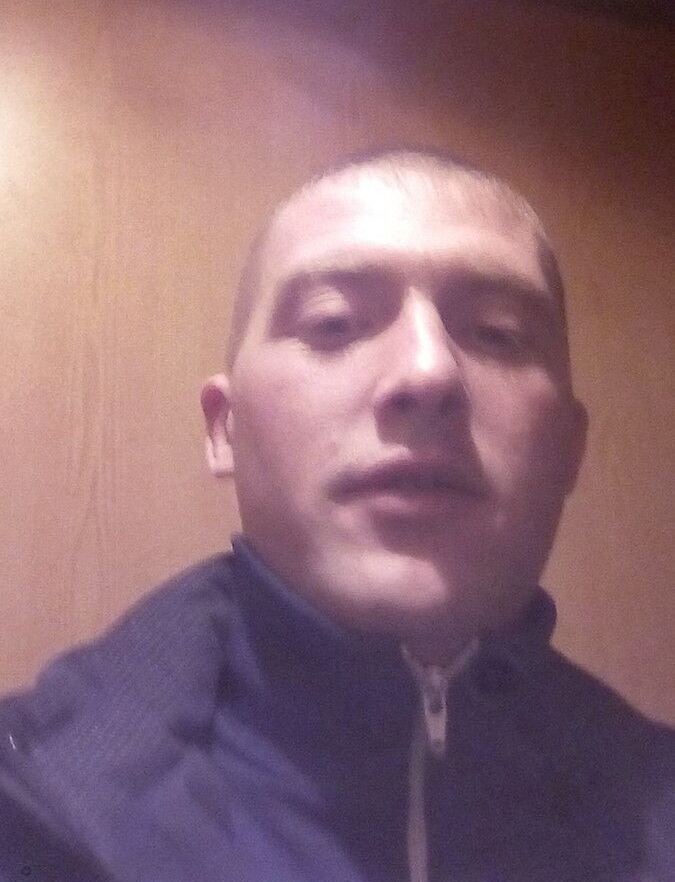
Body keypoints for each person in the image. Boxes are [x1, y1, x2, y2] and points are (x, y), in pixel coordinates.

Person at [0, 148, 672, 882]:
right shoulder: (26, 815)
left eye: (496, 332)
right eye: (335, 323)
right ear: (225, 429)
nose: (427, 372)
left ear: (569, 449)